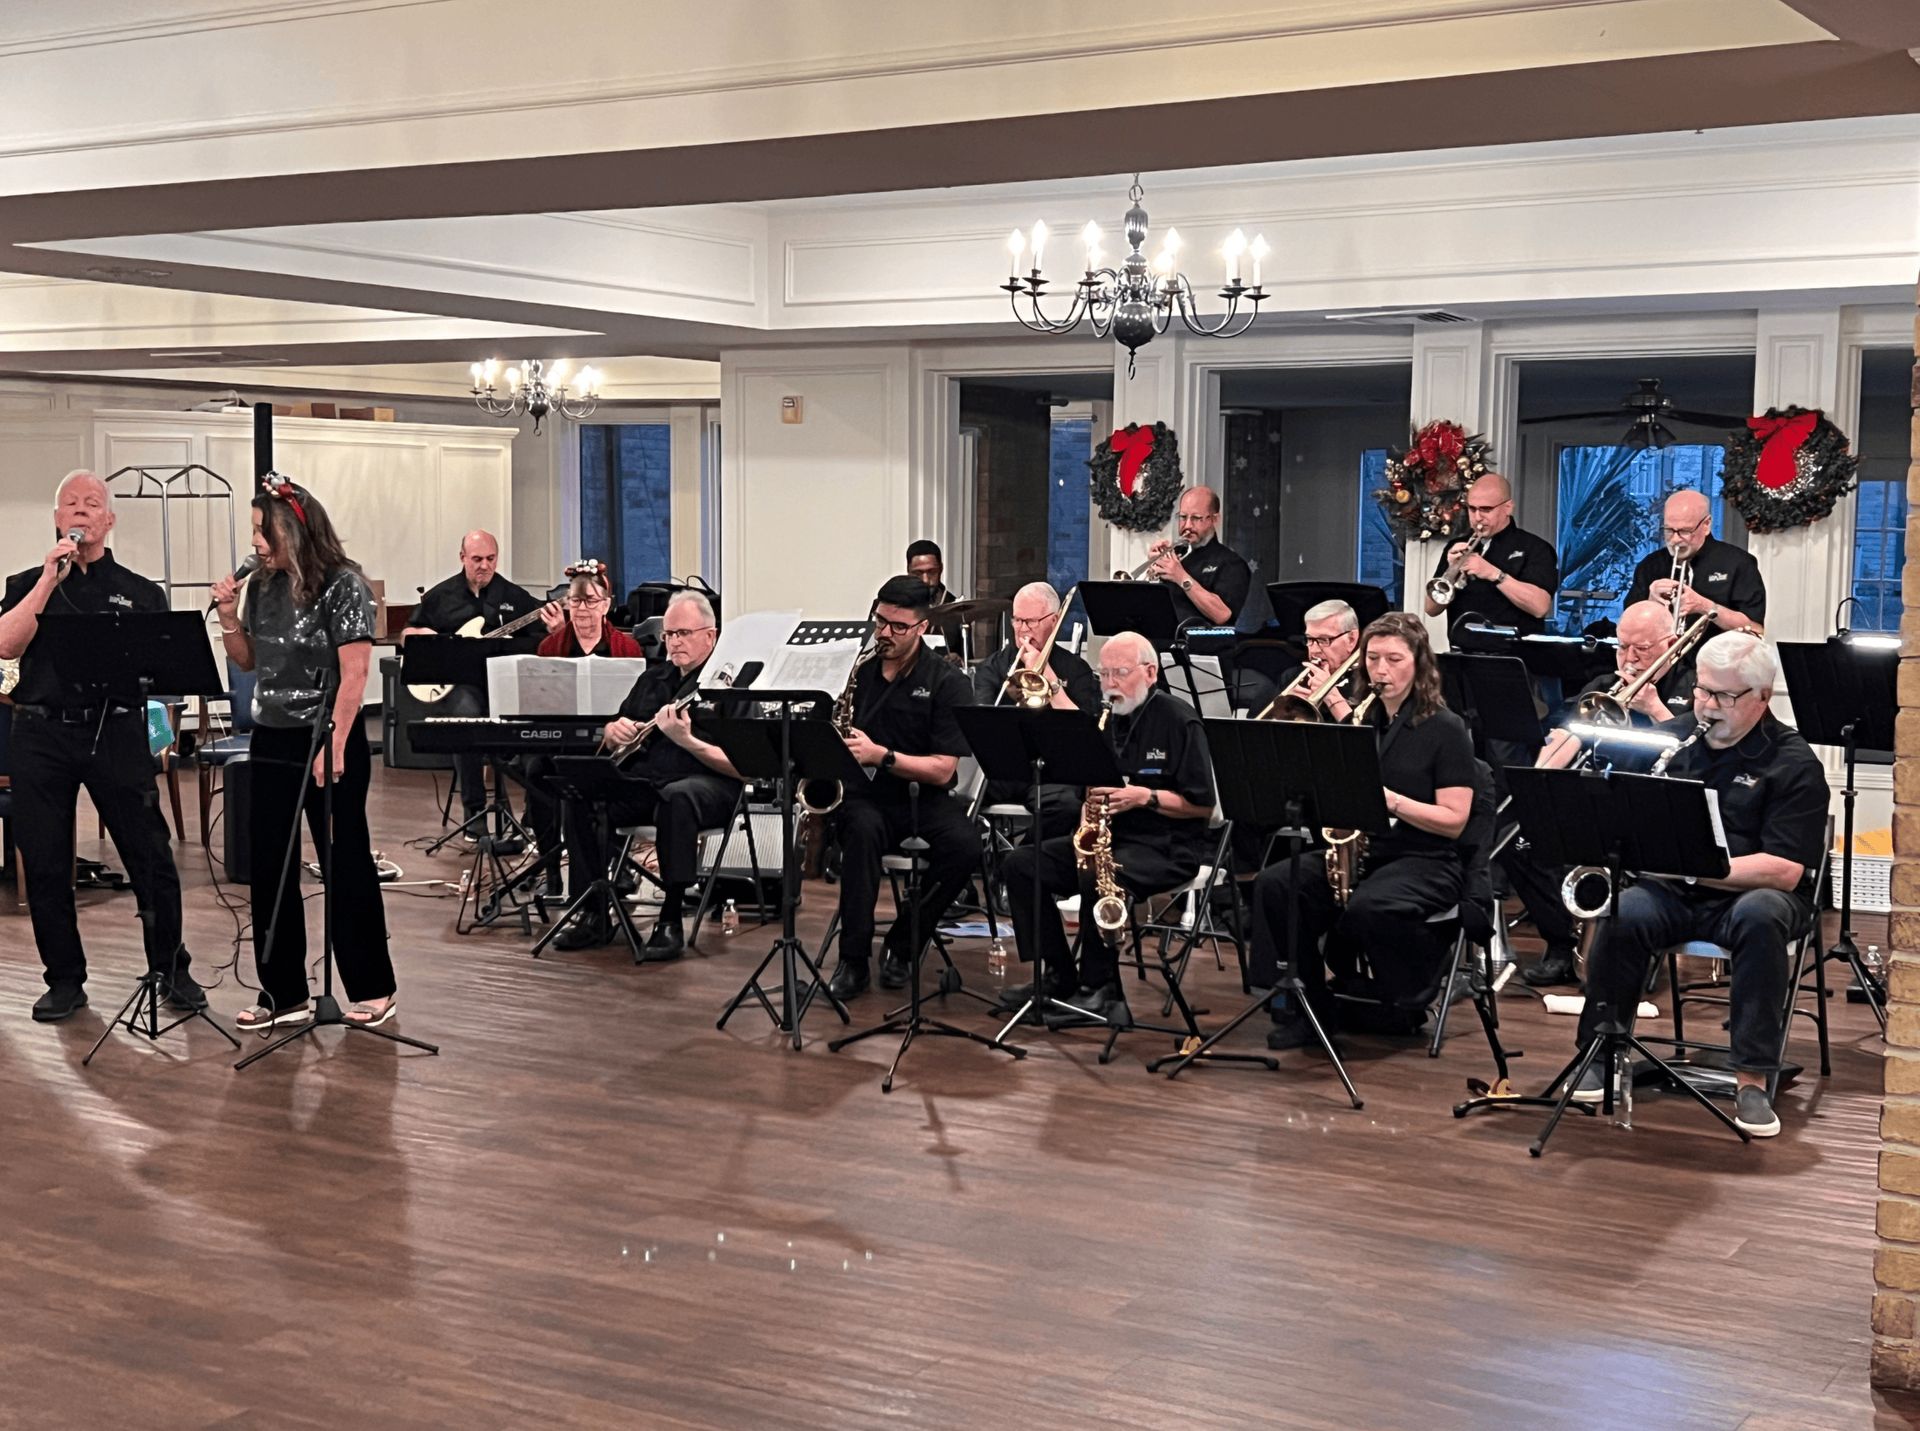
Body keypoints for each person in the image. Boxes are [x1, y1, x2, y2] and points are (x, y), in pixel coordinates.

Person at [1570, 632, 1829, 1138]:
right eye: (1702, 692)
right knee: (1623, 912)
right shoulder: (1677, 739)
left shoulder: (1793, 762)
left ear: (1761, 697)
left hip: (1757, 895)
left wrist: (1694, 867)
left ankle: (1752, 1078)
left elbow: (1785, 870)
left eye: (1723, 697)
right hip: (1677, 889)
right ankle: (1600, 1050)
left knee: (1760, 919)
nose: (1707, 706)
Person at [0, 470, 199, 1022]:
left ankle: (170, 967)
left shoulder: (139, 591)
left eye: (93, 504)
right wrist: (47, 579)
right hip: (41, 733)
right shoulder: (25, 583)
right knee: (44, 860)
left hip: (114, 730)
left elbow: (165, 668)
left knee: (149, 853)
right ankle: (64, 979)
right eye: (71, 504)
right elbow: (4, 646)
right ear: (58, 520)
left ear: (109, 519)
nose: (81, 511)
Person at [211, 475, 396, 1030]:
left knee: (345, 859)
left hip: (325, 732)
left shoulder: (344, 585)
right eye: (253, 531)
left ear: (293, 528)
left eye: (263, 530)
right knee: (271, 863)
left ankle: (373, 987)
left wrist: (335, 745)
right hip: (273, 734)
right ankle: (282, 992)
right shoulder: (263, 587)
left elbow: (355, 674)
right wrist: (227, 615)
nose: (256, 542)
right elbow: (248, 661)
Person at [1250, 612, 1477, 1050]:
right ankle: (1313, 1007)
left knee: (1368, 907)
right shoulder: (1362, 721)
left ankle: (1406, 993)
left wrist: (1392, 801)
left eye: (1394, 659)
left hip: (1425, 857)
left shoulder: (1445, 729)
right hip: (1367, 851)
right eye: (1373, 659)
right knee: (1277, 884)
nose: (1381, 670)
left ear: (1419, 664)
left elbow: (1455, 820)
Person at [999, 630, 1215, 1022]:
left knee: (1100, 873)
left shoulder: (1178, 720)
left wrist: (1143, 797)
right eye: (1104, 674)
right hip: (1113, 839)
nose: (1111, 684)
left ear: (1150, 673)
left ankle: (1101, 991)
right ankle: (1058, 975)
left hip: (1167, 845)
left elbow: (1202, 806)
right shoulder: (1107, 719)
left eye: (1121, 673)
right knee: (1021, 864)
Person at [1508, 599, 1697, 987]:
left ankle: (1630, 950)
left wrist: (1656, 707)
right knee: (1518, 844)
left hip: (1657, 808)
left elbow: (1697, 758)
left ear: (1671, 643)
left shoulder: (1692, 686)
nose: (1628, 659)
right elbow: (1563, 738)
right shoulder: (1602, 686)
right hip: (1598, 797)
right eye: (1622, 646)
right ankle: (1562, 943)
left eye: (1640, 649)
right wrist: (1539, 777)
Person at [553, 590, 740, 957]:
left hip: (708, 786)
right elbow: (618, 736)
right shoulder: (653, 679)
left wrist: (687, 741)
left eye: (683, 633)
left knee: (678, 798)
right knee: (579, 792)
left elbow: (743, 767)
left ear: (710, 635)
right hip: (645, 781)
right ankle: (592, 912)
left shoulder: (731, 686)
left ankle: (670, 918)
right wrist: (611, 734)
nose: (674, 643)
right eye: (669, 635)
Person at [824, 574, 978, 1000]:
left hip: (922, 797)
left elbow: (944, 771)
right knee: (861, 831)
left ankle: (905, 941)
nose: (885, 634)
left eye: (898, 627)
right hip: (865, 798)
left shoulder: (948, 682)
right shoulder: (860, 671)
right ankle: (852, 960)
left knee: (967, 845)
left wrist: (883, 756)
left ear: (923, 628)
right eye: (880, 623)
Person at [403, 531, 544, 830]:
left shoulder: (514, 596)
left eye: (491, 559)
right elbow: (408, 634)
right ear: (462, 557)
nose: (484, 565)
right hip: (459, 685)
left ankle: (535, 814)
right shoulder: (440, 597)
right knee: (467, 719)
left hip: (503, 683)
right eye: (477, 559)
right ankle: (474, 812)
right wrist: (422, 636)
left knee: (540, 721)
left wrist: (555, 629)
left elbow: (540, 640)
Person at [521, 559, 642, 894]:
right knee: (534, 772)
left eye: (591, 601)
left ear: (605, 605)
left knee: (610, 777)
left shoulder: (626, 649)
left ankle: (613, 864)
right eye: (575, 601)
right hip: (561, 741)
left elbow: (633, 709)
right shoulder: (550, 647)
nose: (583, 609)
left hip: (607, 745)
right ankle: (550, 867)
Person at [968, 581, 1101, 840]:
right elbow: (983, 722)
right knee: (956, 796)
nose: (1022, 631)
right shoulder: (993, 668)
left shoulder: (1076, 670)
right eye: (1017, 621)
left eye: (1031, 622)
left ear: (1053, 621)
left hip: (1052, 772)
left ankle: (1022, 863)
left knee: (1065, 806)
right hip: (1005, 769)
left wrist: (1049, 680)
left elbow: (1087, 734)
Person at [1422, 473, 1559, 647]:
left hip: (1515, 659)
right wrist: (1450, 571)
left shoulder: (1535, 548)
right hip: (1462, 657)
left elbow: (1540, 607)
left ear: (1508, 508)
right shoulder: (1458, 546)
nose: (1478, 517)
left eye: (1486, 509)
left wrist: (1494, 574)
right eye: (1472, 509)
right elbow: (1431, 609)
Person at [1623, 489, 1766, 636]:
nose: (1675, 539)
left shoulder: (1738, 563)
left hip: (1716, 657)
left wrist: (1706, 607)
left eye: (1685, 531)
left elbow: (1756, 629)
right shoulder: (1650, 565)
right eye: (1669, 530)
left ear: (1706, 525)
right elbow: (1628, 628)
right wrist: (1651, 602)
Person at [1146, 486, 1252, 631]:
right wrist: (1155, 569)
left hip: (1204, 649)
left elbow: (1223, 615)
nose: (1187, 525)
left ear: (1214, 519)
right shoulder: (1177, 556)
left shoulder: (1230, 563)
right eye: (1183, 517)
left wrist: (1180, 576)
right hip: (1165, 643)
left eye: (1196, 518)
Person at [906, 538, 968, 656]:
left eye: (932, 572)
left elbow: (967, 660)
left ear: (941, 569)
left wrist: (958, 660)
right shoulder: (892, 605)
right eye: (918, 573)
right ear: (908, 571)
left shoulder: (956, 607)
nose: (925, 580)